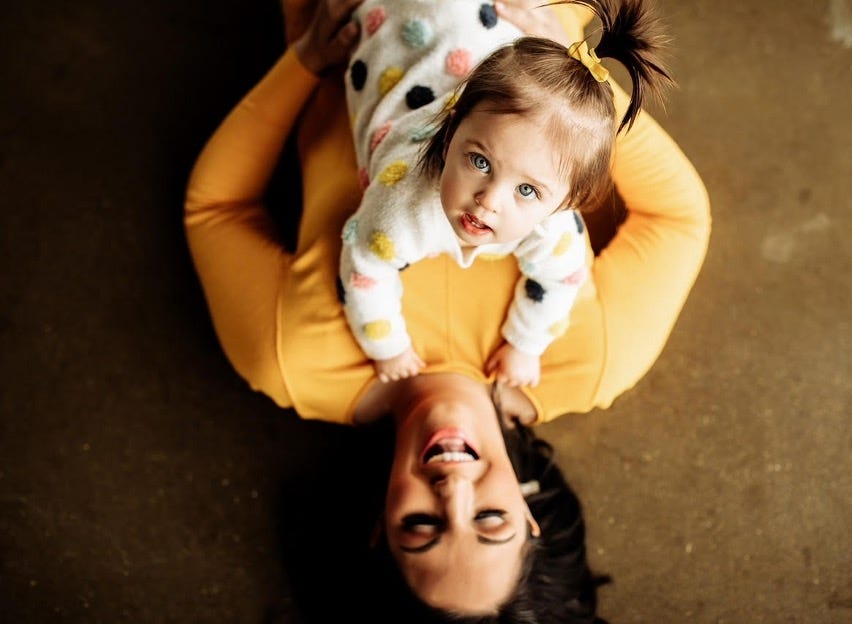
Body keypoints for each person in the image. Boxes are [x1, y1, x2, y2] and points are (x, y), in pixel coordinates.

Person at [185, 0, 710, 617]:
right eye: (490, 519)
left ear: (379, 526)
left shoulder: (290, 360)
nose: (452, 488)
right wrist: (575, 86)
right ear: (529, 514)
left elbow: (215, 208)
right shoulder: (589, 360)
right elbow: (678, 219)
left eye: (421, 527)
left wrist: (302, 64)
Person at [338, 0, 659, 388]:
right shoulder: (401, 205)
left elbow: (565, 279)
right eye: (480, 162)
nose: (489, 200)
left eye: (526, 190)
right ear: (449, 133)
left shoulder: (553, 227)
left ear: (566, 203)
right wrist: (388, 347)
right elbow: (364, 269)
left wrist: (525, 343)